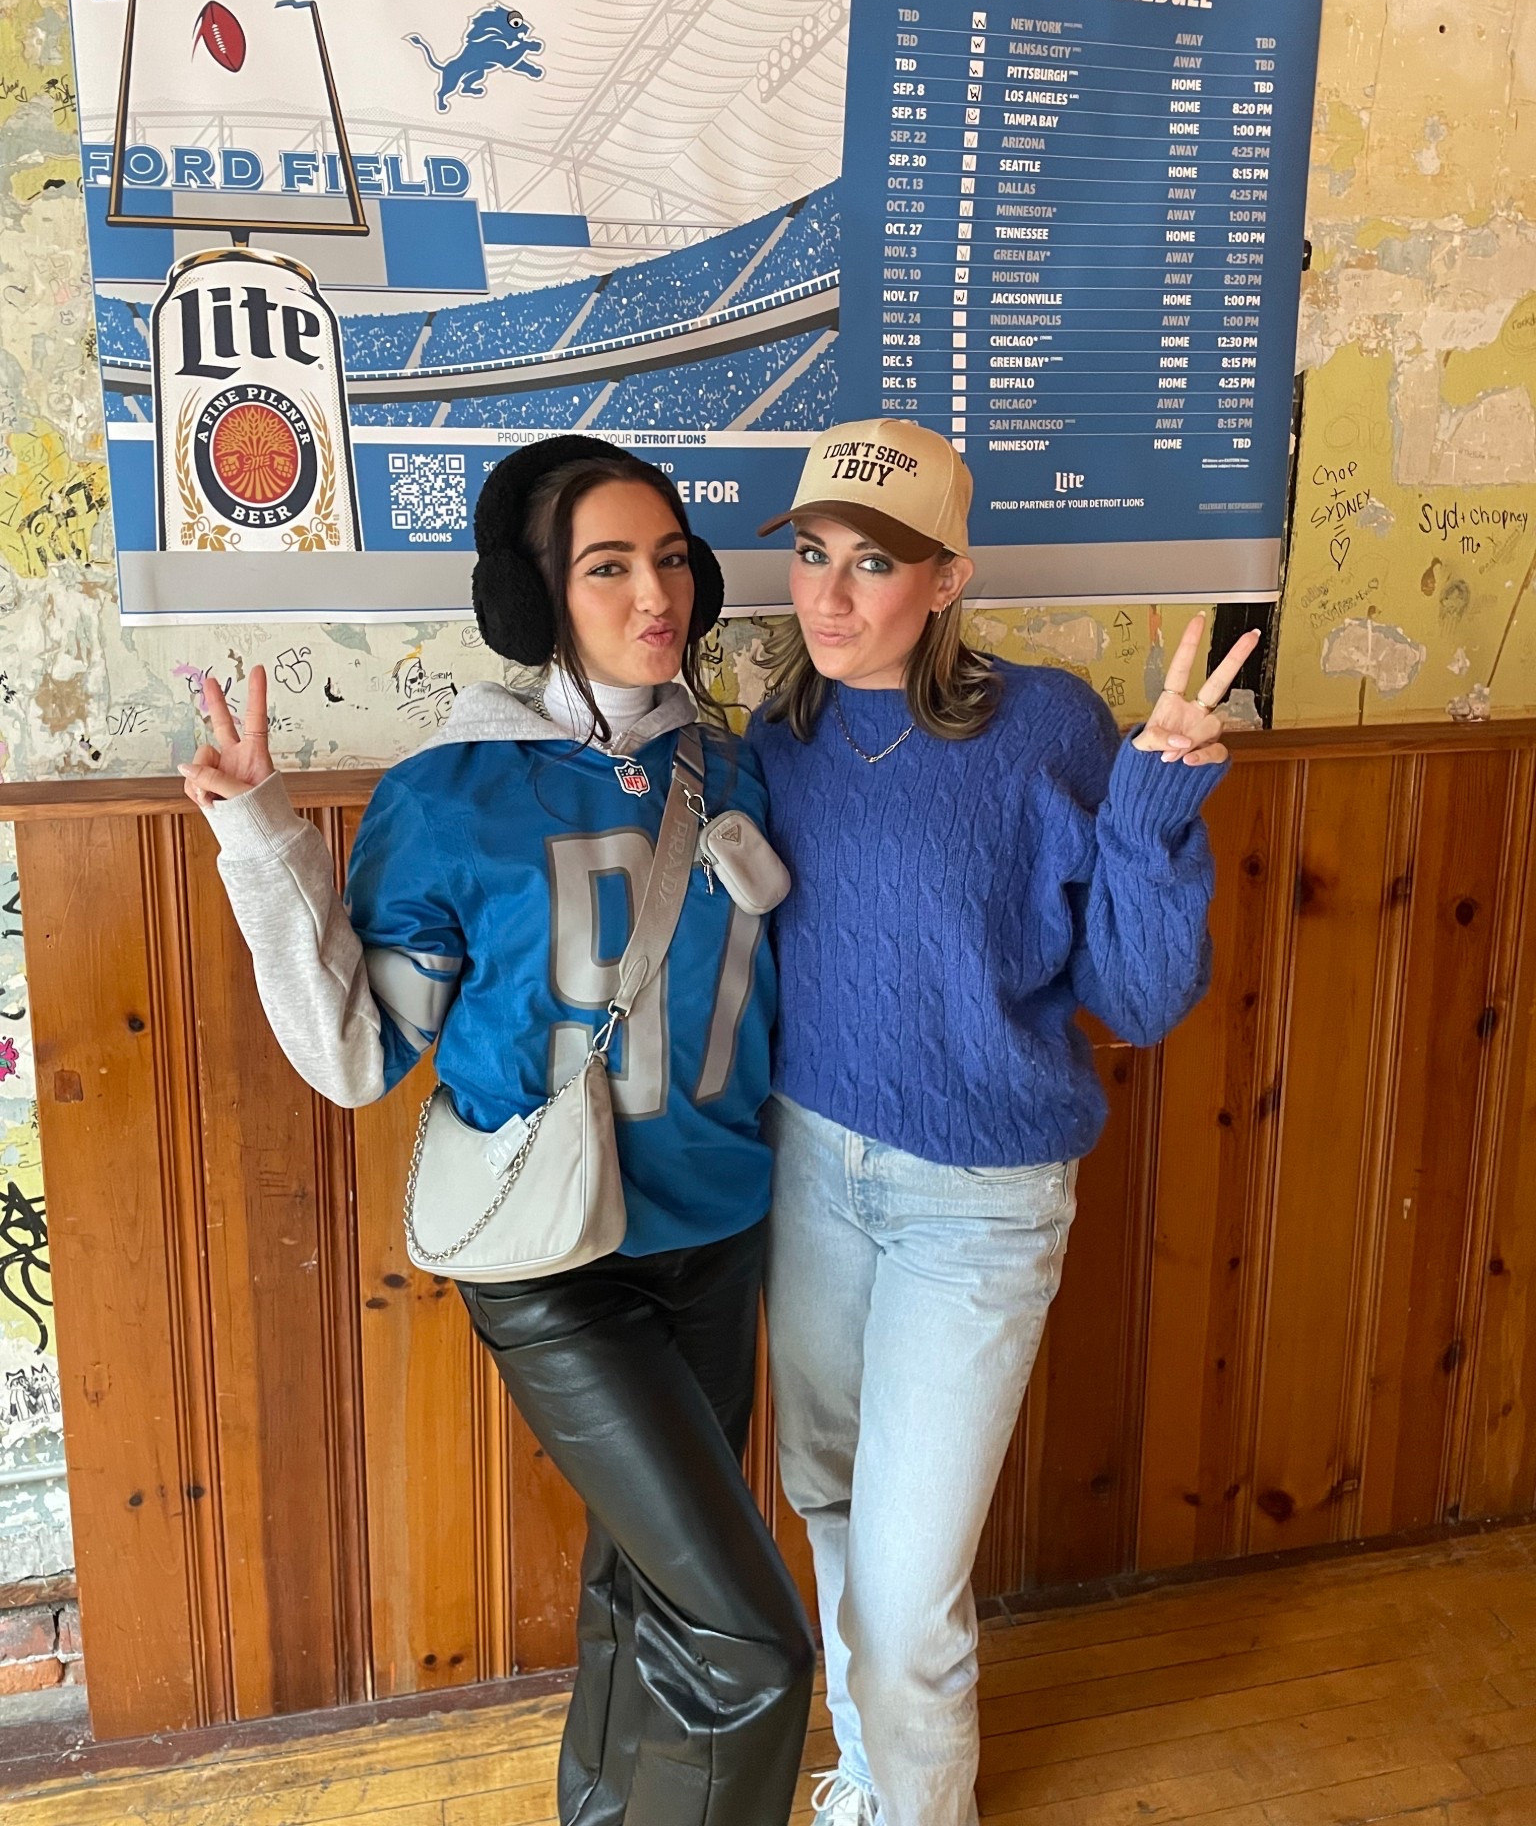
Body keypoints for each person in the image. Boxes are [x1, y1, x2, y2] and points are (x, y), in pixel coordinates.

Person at [178, 434, 814, 1826]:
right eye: (609, 567)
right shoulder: (450, 794)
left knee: (648, 1594)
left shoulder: (738, 769)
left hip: (721, 1237)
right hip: (557, 1266)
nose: (657, 595)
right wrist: (262, 838)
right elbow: (359, 1054)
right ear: (536, 599)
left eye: (672, 561)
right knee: (754, 1649)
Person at [748, 418, 1257, 1826]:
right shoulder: (778, 739)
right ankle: (876, 1781)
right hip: (808, 1166)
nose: (830, 595)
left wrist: (1154, 807)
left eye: (873, 564)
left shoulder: (1048, 727)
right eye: (812, 554)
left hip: (976, 1202)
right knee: (831, 1497)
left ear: (949, 579)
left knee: (910, 1579)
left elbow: (1136, 998)